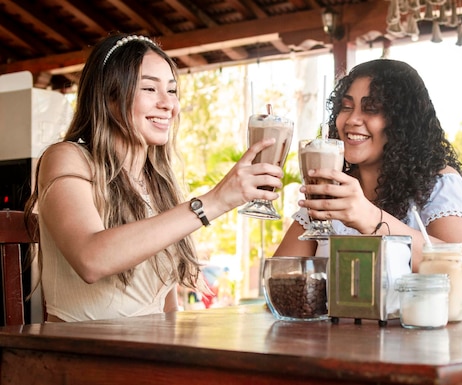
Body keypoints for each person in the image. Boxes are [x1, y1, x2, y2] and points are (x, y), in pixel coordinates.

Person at [24, 33, 284, 322]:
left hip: (147, 350)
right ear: (107, 96)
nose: (168, 104)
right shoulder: (67, 158)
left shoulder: (158, 182)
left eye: (172, 91)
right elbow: (91, 259)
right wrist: (214, 201)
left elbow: (167, 306)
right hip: (81, 353)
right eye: (149, 88)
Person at [274, 59, 462, 275]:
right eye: (346, 107)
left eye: (372, 109)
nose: (352, 119)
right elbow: (279, 275)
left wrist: (370, 219)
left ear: (402, 123)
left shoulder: (440, 185)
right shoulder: (331, 189)